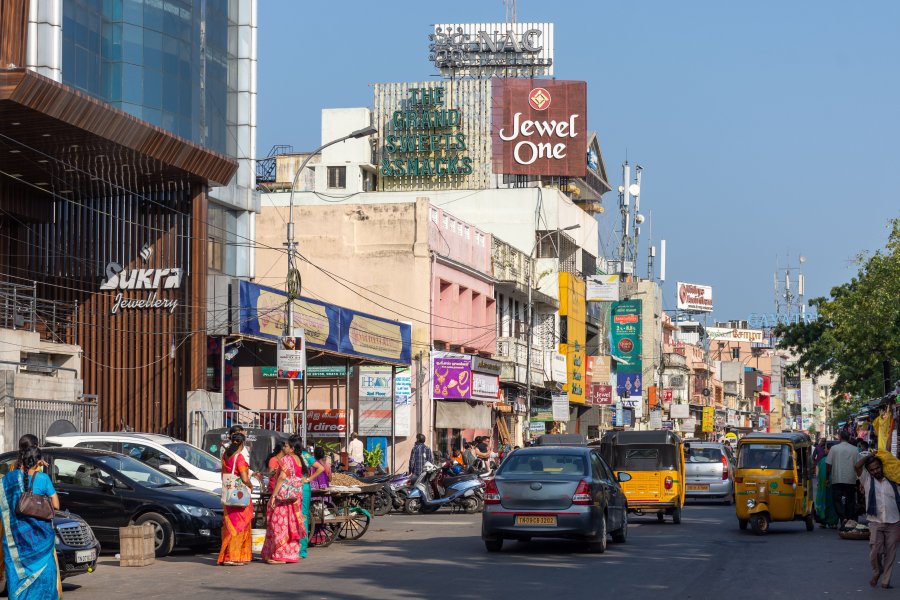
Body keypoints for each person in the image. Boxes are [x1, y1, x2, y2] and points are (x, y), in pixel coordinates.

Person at [0, 443, 61, 599]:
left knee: (17, 575)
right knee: (45, 576)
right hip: (41, 540)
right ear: (38, 461)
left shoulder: (9, 479)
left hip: (17, 543)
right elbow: (55, 505)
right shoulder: (43, 478)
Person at [855, 454, 900, 589]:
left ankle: (886, 581)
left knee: (890, 552)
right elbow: (857, 466)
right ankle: (877, 571)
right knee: (875, 551)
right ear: (869, 471)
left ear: (882, 467)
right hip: (875, 521)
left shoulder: (894, 480)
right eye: (872, 469)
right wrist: (872, 454)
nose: (875, 471)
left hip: (894, 520)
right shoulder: (867, 480)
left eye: (877, 468)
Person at [261, 435, 307, 564]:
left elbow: (281, 477)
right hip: (295, 499)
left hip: (283, 498)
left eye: (286, 446)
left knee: (278, 524)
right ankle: (290, 553)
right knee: (291, 524)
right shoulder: (299, 459)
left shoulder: (287, 459)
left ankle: (278, 554)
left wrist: (274, 495)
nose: (284, 448)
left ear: (292, 448)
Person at [218, 432, 254, 566]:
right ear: (242, 444)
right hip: (240, 497)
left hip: (229, 494)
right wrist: (251, 485)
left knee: (230, 525)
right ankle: (234, 556)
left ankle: (228, 555)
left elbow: (223, 475)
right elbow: (244, 478)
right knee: (240, 525)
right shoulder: (239, 458)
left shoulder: (226, 456)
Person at [826, 430, 860, 528]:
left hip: (837, 479)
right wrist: (860, 479)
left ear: (840, 437)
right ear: (849, 438)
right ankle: (848, 519)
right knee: (850, 500)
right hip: (851, 479)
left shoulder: (834, 448)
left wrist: (827, 478)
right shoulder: (855, 449)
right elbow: (858, 466)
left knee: (837, 500)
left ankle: (843, 518)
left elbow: (828, 464)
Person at [307, 447, 331, 545]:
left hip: (314, 490)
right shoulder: (326, 465)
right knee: (322, 510)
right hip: (323, 490)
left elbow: (308, 475)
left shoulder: (311, 464)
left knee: (314, 510)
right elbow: (330, 478)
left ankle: (314, 537)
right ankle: (321, 536)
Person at [814, 442, 839, 528]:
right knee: (833, 502)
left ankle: (823, 521)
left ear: (829, 450)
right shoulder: (837, 460)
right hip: (834, 484)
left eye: (825, 448)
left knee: (823, 502)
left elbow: (817, 474)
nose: (824, 450)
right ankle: (833, 522)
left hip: (823, 486)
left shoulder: (822, 460)